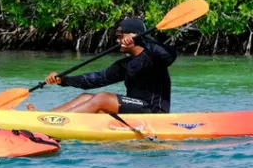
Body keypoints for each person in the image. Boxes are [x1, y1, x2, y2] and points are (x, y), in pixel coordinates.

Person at [44, 18, 177, 114]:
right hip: (134, 107)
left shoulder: (154, 58)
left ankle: (57, 125)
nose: (117, 41)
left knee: (102, 98)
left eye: (120, 36)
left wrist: (144, 39)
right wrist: (63, 80)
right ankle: (43, 118)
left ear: (134, 36)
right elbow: (96, 79)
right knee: (85, 97)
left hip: (153, 111)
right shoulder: (125, 64)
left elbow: (170, 55)